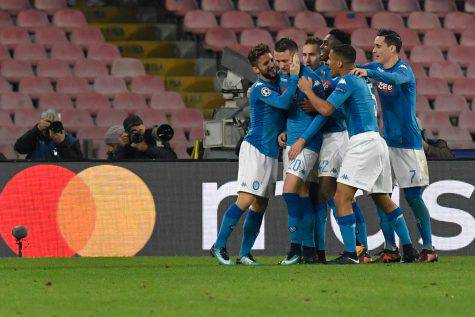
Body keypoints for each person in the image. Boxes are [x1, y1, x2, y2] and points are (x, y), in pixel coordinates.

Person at [296, 44, 419, 264]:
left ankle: (351, 254)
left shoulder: (348, 81)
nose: (328, 64)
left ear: (340, 63)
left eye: (330, 60)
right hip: (377, 142)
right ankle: (409, 249)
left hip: (363, 143)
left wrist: (307, 91)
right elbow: (339, 105)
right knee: (383, 199)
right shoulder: (362, 82)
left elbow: (326, 110)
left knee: (341, 197)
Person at [210, 43, 300, 266]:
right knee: (247, 198)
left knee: (260, 204)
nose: (271, 65)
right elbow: (283, 102)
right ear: (256, 70)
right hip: (255, 148)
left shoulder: (279, 82)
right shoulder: (260, 88)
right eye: (265, 63)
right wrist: (296, 77)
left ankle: (244, 253)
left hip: (271, 152)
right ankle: (219, 245)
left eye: (271, 60)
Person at [352, 29, 438, 263]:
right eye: (374, 46)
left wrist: (369, 71)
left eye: (379, 46)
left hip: (409, 144)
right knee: (382, 195)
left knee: (413, 197)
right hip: (386, 142)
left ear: (392, 49)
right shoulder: (376, 67)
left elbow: (393, 79)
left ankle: (429, 248)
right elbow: (355, 67)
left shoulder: (403, 70)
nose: (374, 49)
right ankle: (391, 249)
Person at [297, 29, 371, 263]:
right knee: (323, 196)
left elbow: (330, 111)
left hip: (338, 138)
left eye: (326, 45)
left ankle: (358, 249)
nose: (322, 48)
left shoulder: (347, 78)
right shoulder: (322, 73)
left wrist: (315, 107)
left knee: (336, 195)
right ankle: (319, 251)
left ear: (338, 51)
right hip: (322, 140)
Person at [274, 38, 323, 265]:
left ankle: (294, 248)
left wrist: (303, 140)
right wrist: (282, 130)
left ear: (295, 57)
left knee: (289, 191)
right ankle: (309, 251)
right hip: (291, 143)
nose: (281, 64)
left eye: (285, 60)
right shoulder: (284, 77)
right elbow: (285, 107)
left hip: (306, 145)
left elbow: (323, 113)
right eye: (278, 60)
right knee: (302, 195)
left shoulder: (309, 79)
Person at [14, 108, 83, 160]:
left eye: (54, 124)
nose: (50, 127)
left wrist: (62, 143)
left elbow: (77, 165)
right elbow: (19, 149)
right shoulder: (35, 137)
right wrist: (36, 129)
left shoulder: (70, 141)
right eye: (48, 123)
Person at [113, 115, 177, 160]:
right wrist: (122, 147)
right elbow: (118, 165)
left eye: (140, 128)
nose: (138, 130)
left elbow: (172, 157)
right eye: (134, 130)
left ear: (143, 126)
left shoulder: (153, 137)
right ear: (127, 133)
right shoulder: (126, 142)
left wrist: (146, 148)